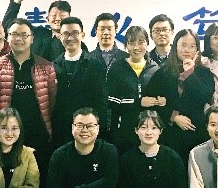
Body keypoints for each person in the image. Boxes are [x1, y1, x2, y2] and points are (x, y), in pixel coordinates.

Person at [0, 18, 56, 188]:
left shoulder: (46, 66)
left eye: (24, 35)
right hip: (8, 135)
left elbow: (52, 100)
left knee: (38, 178)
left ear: (32, 38)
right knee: (11, 180)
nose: (19, 39)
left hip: (38, 133)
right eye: (15, 34)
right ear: (8, 37)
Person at [143, 29, 215, 164]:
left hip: (197, 133)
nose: (187, 50)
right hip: (169, 134)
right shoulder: (163, 72)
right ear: (175, 46)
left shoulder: (204, 73)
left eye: (192, 46)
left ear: (197, 49)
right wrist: (173, 116)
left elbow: (204, 97)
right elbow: (150, 103)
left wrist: (189, 73)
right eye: (183, 45)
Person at [52, 16, 107, 147]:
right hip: (60, 131)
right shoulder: (52, 66)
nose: (70, 38)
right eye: (66, 34)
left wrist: (100, 131)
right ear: (60, 37)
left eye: (75, 33)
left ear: (82, 35)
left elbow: (102, 102)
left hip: (87, 132)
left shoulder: (95, 65)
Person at [107, 25, 159, 155]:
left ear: (147, 43)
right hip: (123, 130)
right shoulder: (117, 68)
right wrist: (138, 102)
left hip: (148, 131)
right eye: (131, 43)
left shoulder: (155, 68)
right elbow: (111, 100)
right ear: (126, 46)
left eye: (141, 42)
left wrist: (161, 100)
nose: (136, 47)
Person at [89, 12, 128, 141]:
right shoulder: (87, 58)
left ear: (116, 31)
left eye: (109, 29)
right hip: (95, 119)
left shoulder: (126, 58)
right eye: (102, 29)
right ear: (96, 32)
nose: (106, 33)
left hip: (120, 117)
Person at [4, 0, 69, 61]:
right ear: (47, 18)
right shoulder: (37, 33)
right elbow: (8, 28)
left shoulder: (74, 39)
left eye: (62, 16)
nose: (58, 19)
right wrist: (15, 3)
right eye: (54, 15)